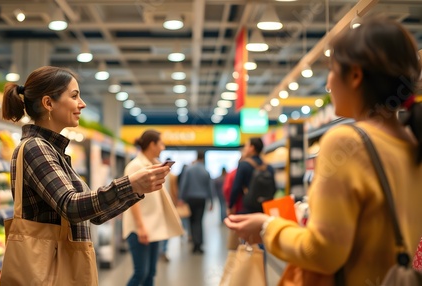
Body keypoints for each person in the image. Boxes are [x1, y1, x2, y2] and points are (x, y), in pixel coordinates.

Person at [224, 16, 422, 285]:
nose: (328, 84)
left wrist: (266, 227)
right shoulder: (412, 143)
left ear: (355, 75)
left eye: (332, 70)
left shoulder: (347, 142)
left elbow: (321, 253)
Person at [1, 66, 170, 284]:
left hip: (58, 264)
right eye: (74, 96)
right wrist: (129, 184)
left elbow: (94, 215)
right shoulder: (36, 147)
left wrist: (136, 189)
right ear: (48, 103)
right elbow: (71, 206)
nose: (83, 103)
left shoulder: (55, 151)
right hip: (47, 270)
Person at [122, 130, 183, 286]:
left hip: (154, 227)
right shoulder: (135, 166)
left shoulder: (153, 165)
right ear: (152, 144)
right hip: (139, 228)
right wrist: (141, 227)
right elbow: (132, 199)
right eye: (161, 143)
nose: (163, 147)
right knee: (140, 273)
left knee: (150, 273)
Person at [179, 150, 214, 254]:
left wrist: (181, 198)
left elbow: (184, 184)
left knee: (191, 221)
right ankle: (199, 244)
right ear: (203, 158)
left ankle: (194, 243)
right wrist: (211, 201)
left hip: (191, 198)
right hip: (202, 199)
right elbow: (210, 187)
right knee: (199, 221)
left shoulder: (189, 170)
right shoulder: (206, 171)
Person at [228, 137, 273, 214]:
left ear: (252, 148)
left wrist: (231, 205)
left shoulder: (243, 165)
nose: (245, 148)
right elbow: (273, 188)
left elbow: (236, 187)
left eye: (246, 146)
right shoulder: (268, 167)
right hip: (264, 206)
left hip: (248, 207)